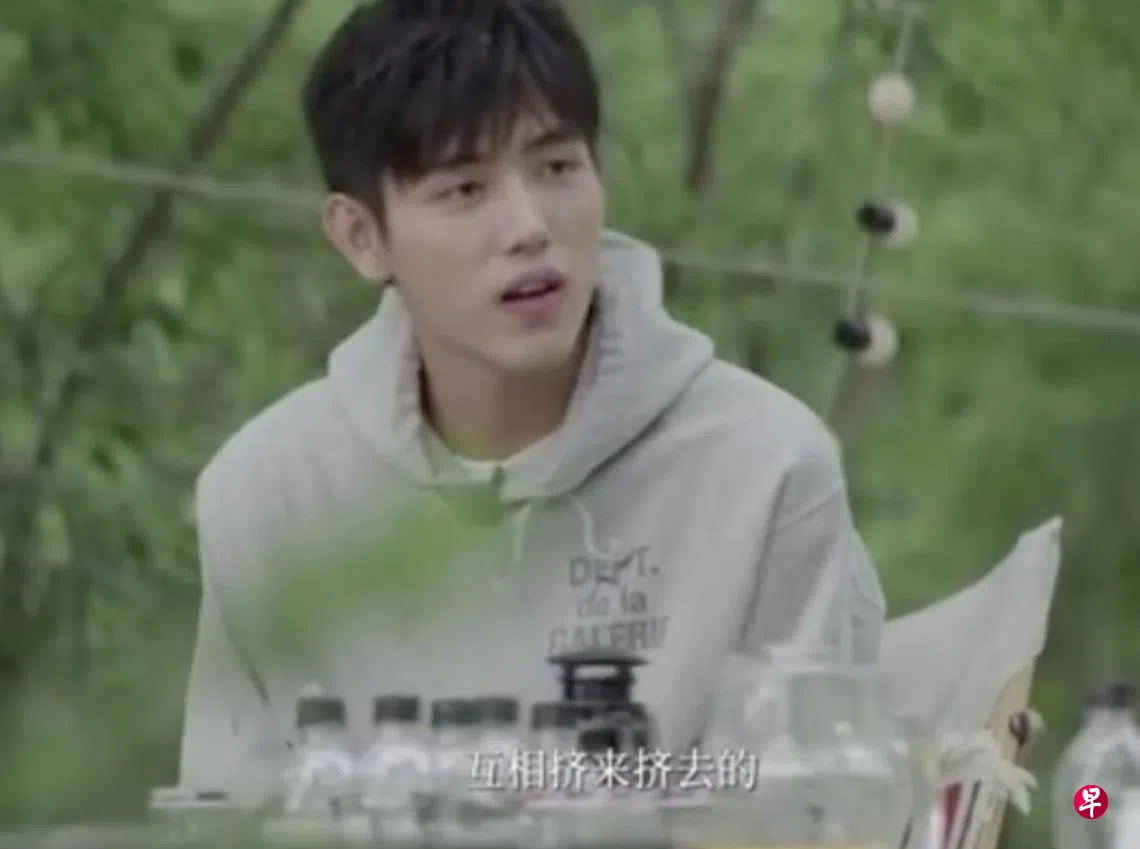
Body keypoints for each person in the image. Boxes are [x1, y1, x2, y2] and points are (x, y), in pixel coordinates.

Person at [178, 0, 886, 795]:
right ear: (360, 237)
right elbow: (229, 811)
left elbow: (811, 809)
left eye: (556, 168)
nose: (529, 226)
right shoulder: (267, 494)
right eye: (464, 188)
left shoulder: (765, 467)